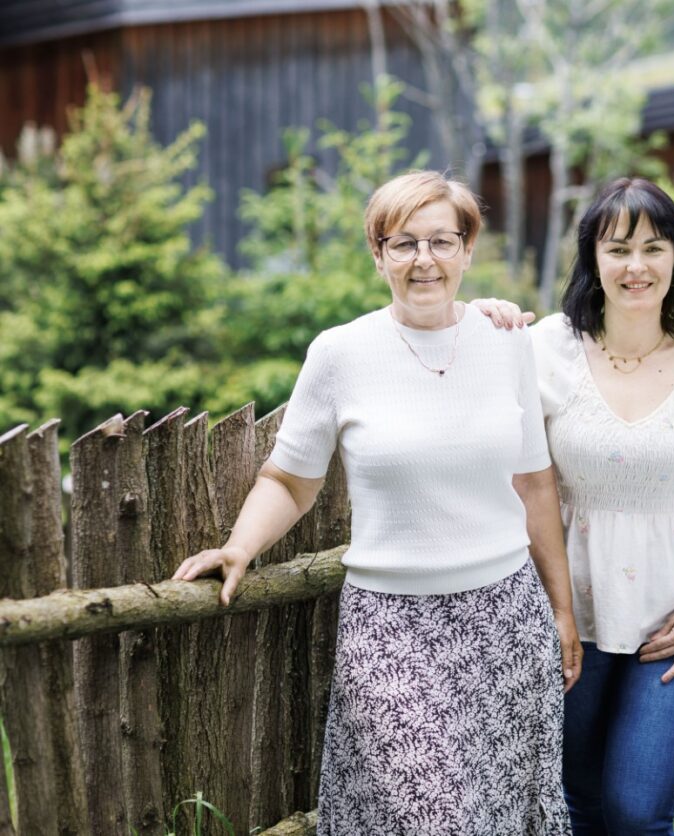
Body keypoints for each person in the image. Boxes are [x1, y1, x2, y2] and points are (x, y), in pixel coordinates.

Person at [172, 170, 580, 834]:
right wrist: (239, 546)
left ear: (467, 250)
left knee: (500, 814)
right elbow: (291, 480)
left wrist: (562, 610)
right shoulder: (340, 353)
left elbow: (533, 483)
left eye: (442, 241)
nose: (425, 260)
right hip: (391, 629)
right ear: (378, 253)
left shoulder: (507, 343)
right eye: (404, 243)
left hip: (506, 620)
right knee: (434, 817)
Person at [483, 177, 674, 834]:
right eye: (618, 249)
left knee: (637, 811)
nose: (636, 267)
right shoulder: (544, 347)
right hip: (567, 614)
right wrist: (482, 315)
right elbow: (470, 400)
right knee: (577, 804)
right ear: (593, 261)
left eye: (653, 248)